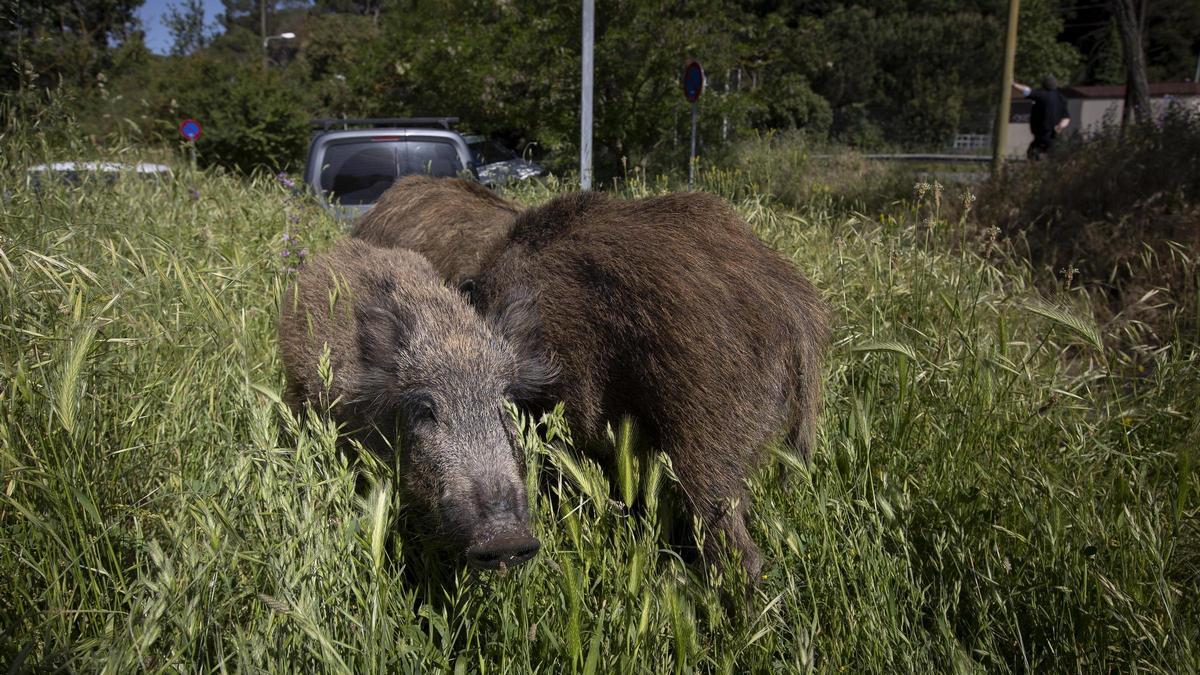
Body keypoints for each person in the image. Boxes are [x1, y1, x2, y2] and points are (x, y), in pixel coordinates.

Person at [1013, 76, 1071, 159]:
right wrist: (1060, 126)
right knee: (1054, 159)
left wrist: (1014, 84)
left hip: (1041, 135)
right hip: (1054, 136)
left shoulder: (1041, 94)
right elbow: (1066, 118)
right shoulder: (1062, 98)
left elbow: (1027, 91)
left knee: (1033, 155)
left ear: (1043, 85)